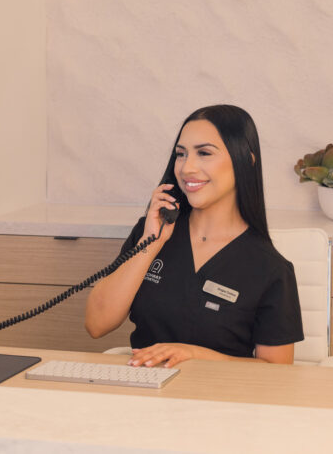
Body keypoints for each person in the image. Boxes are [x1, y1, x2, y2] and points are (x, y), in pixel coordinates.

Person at [85, 104, 304, 368]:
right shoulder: (151, 234)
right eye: (181, 154)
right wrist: (150, 243)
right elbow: (96, 324)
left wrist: (195, 354)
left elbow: (277, 371)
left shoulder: (270, 268)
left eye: (204, 153)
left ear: (245, 160)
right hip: (144, 387)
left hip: (219, 393)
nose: (187, 168)